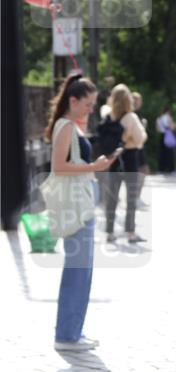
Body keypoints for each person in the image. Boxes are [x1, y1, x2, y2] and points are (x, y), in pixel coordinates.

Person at [46, 75, 117, 350]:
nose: (91, 109)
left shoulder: (70, 126)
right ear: (72, 101)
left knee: (82, 271)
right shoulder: (65, 127)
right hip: (76, 207)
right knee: (77, 271)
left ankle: (73, 331)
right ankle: (66, 335)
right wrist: (94, 168)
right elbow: (59, 167)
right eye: (87, 104)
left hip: (81, 205)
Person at [103, 85, 148, 244]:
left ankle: (109, 231)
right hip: (130, 158)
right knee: (131, 197)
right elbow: (140, 139)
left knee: (112, 197)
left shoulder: (108, 116)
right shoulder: (131, 117)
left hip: (114, 159)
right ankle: (130, 232)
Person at [157, 106, 176, 175]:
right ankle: (171, 169)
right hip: (168, 136)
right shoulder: (168, 117)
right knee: (170, 154)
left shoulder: (159, 119)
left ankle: (161, 169)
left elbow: (158, 129)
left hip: (162, 136)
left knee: (162, 153)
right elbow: (172, 127)